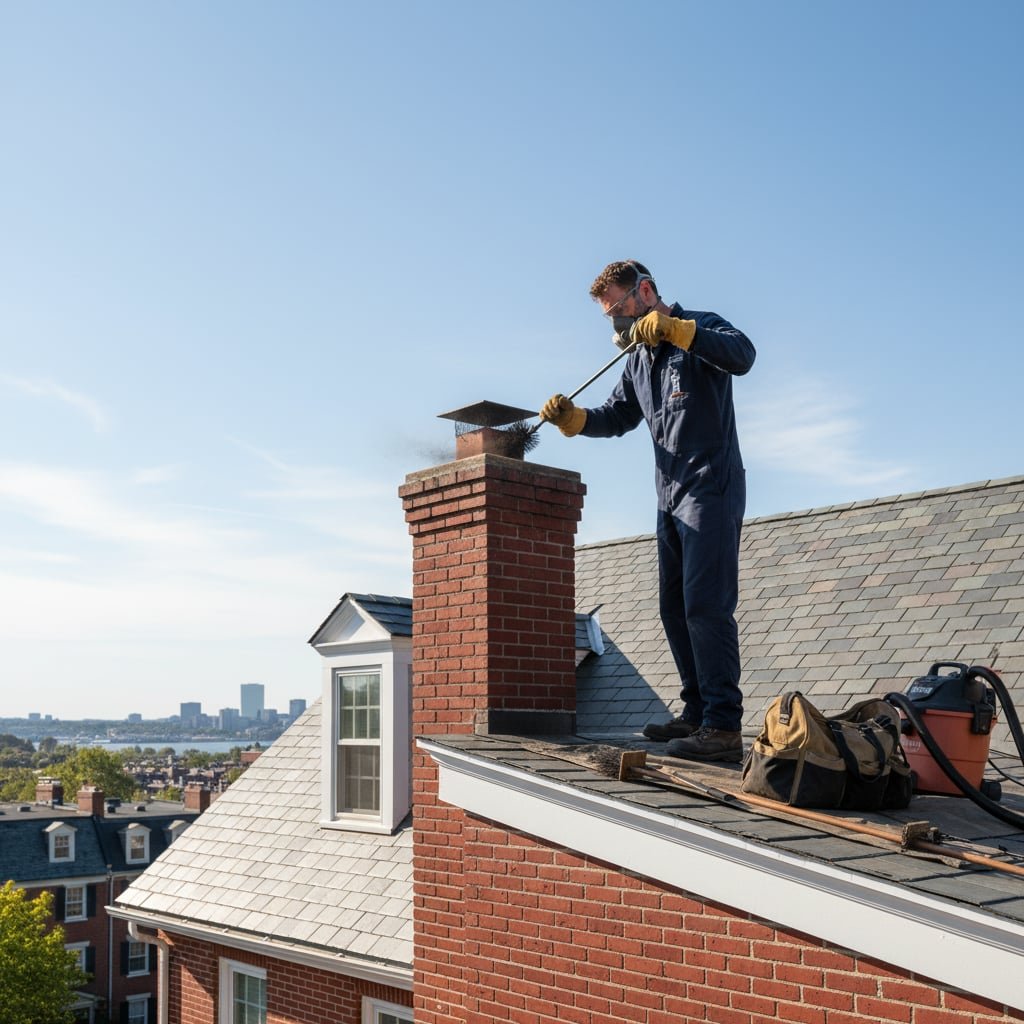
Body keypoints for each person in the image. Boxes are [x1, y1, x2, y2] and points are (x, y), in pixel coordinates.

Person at [541, 260, 755, 762]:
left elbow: (743, 356)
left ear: (646, 291)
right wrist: (576, 420)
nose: (616, 322)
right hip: (670, 497)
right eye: (609, 315)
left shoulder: (699, 326)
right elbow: (618, 415)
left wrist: (683, 332)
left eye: (619, 308)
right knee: (674, 608)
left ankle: (723, 727)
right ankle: (698, 712)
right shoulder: (639, 358)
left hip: (712, 487)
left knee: (706, 604)